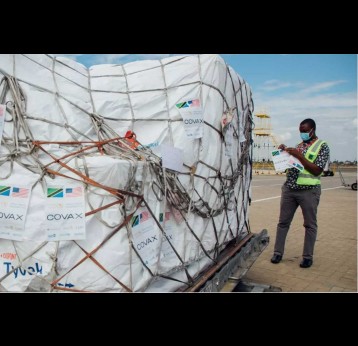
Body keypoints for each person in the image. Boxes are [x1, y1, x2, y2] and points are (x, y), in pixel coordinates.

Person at [270, 118, 330, 268]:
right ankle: (278, 253)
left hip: (308, 192)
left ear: (312, 130)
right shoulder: (298, 146)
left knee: (310, 225)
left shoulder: (322, 146)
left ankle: (307, 257)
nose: (302, 134)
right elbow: (291, 165)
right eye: (300, 131)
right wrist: (284, 153)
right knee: (283, 223)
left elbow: (317, 170)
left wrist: (299, 156)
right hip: (290, 190)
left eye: (304, 131)